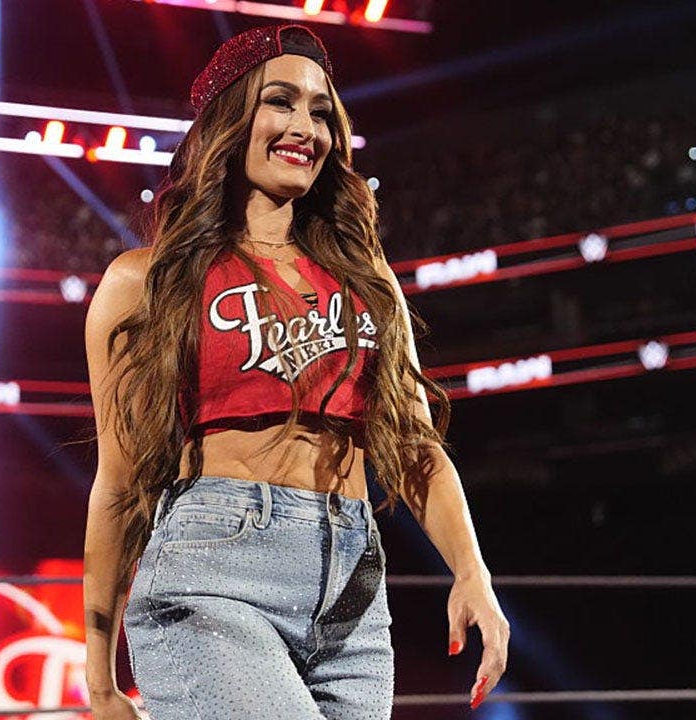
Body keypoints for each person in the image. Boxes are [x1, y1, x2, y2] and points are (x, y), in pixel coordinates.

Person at [81, 23, 509, 719]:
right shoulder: (145, 281)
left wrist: (472, 573)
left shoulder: (366, 278)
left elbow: (415, 447)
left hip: (352, 593)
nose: (305, 128)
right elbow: (120, 483)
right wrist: (99, 678)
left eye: (320, 112)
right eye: (280, 101)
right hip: (214, 572)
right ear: (227, 120)